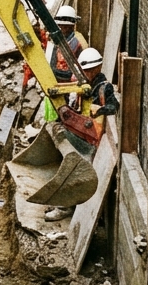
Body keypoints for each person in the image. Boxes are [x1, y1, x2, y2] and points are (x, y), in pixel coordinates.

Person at [44, 48, 117, 221]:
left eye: (91, 70)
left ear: (98, 68)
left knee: (75, 167)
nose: (88, 74)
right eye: (86, 71)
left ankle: (66, 206)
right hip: (86, 134)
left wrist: (99, 110)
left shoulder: (104, 88)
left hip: (94, 140)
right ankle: (61, 200)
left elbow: (114, 107)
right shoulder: (85, 85)